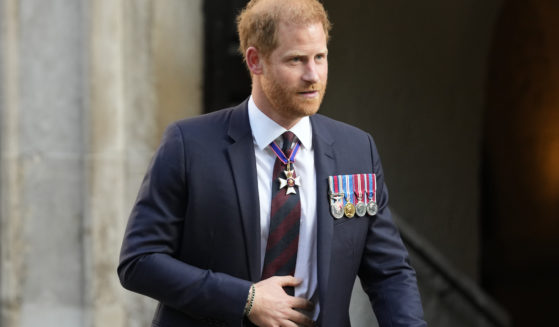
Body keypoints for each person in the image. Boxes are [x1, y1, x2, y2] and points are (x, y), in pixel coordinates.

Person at [118, 0, 426, 326]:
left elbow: (389, 272)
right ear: (255, 61)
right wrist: (245, 299)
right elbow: (139, 261)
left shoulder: (356, 150)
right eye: (296, 60)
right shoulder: (188, 145)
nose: (313, 75)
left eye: (320, 57)